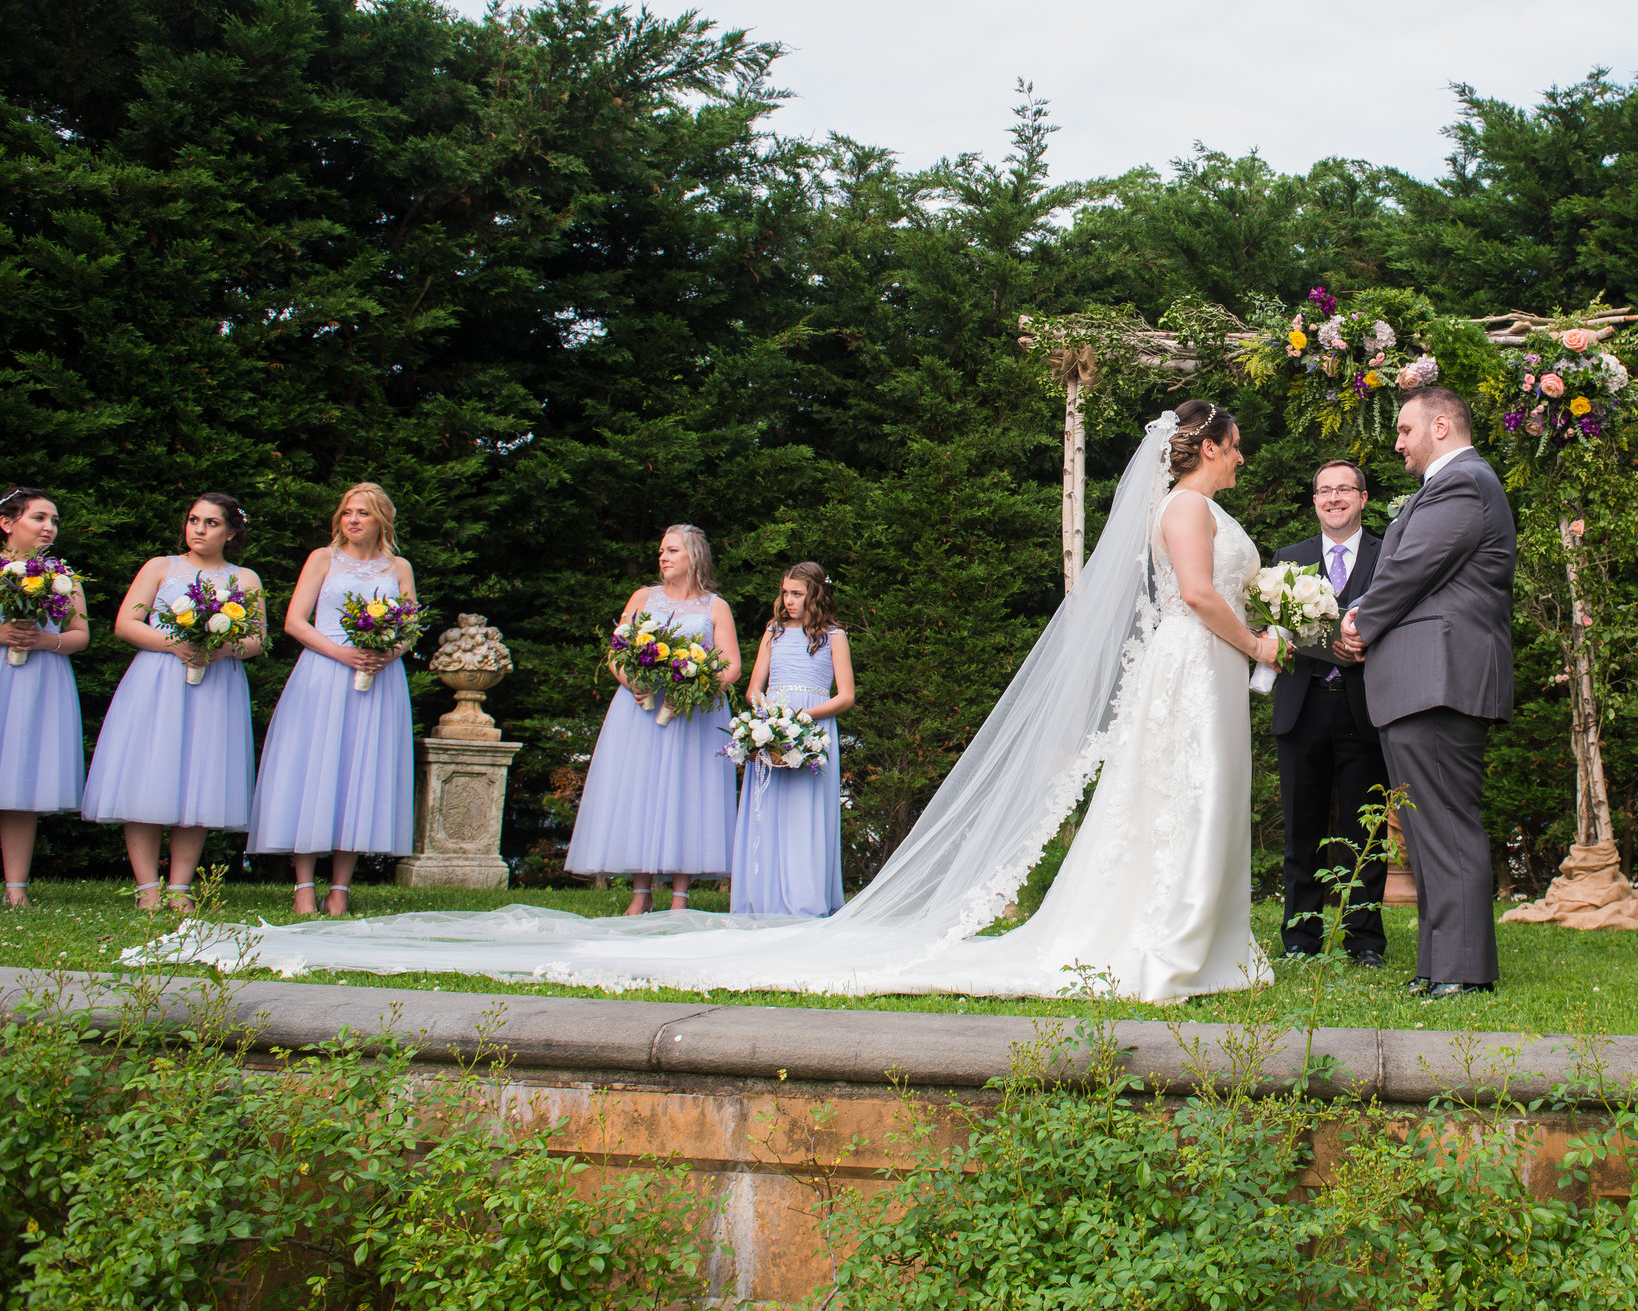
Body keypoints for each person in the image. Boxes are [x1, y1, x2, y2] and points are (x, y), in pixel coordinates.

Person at [177, 406, 1278, 1003]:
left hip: (1200, 675)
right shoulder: (1186, 509)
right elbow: (1189, 594)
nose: (1239, 457)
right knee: (1168, 799)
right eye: (1235, 444)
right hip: (1193, 667)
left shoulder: (1187, 502)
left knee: (1183, 802)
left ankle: (1193, 928)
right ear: (1208, 449)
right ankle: (1166, 933)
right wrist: (1265, 636)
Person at [1337, 387, 1517, 1001]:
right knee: (1426, 828)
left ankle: (1463, 971)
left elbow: (1409, 567)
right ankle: (1440, 964)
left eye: (1406, 429)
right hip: (1424, 680)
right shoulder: (1452, 485)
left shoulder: (1464, 482)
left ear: (1441, 425)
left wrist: (1358, 621)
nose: (1398, 442)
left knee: (1445, 824)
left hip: (1439, 679)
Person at [84, 494, 266, 912]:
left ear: (232, 531)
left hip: (215, 685)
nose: (199, 529)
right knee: (148, 777)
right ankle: (147, 887)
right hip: (158, 682)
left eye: (211, 523)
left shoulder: (246, 579)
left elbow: (257, 639)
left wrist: (221, 649)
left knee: (200, 781)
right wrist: (176, 644)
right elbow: (126, 624)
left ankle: (180, 887)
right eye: (193, 520)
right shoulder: (160, 567)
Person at [247, 483, 421, 916]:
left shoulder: (398, 566)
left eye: (362, 513)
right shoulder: (322, 558)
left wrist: (387, 652)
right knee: (314, 769)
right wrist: (342, 652)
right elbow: (294, 621)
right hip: (323, 672)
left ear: (382, 518)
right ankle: (304, 884)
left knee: (360, 773)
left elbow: (411, 628)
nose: (353, 520)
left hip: (377, 680)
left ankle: (340, 887)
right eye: (347, 512)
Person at [566, 525, 742, 915]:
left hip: (692, 714)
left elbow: (730, 667)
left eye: (672, 551)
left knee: (687, 794)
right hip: (640, 713)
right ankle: (640, 893)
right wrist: (632, 682)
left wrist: (695, 685)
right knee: (640, 792)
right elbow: (617, 651)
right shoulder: (643, 598)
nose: (663, 557)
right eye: (661, 550)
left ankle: (681, 897)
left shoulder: (716, 607)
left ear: (693, 557)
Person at [1268, 458, 1389, 966]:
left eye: (1345, 489)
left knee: (1368, 832)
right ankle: (1301, 937)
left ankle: (1364, 940)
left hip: (1366, 707)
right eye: (1324, 491)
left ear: (1363, 498)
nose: (1334, 498)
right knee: (1302, 828)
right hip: (1304, 705)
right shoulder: (1287, 561)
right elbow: (1274, 630)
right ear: (1314, 500)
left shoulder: (1391, 555)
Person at [732, 562, 856, 918]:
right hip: (771, 728)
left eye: (797, 594)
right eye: (785, 592)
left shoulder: (834, 636)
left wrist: (803, 717)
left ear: (816, 594)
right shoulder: (773, 632)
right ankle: (762, 896)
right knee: (767, 810)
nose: (788, 600)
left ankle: (804, 899)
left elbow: (845, 696)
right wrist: (769, 718)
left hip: (812, 728)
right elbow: (754, 688)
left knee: (805, 811)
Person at [0, 488, 89, 906]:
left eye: (53, 520)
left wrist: (44, 639)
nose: (49, 527)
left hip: (37, 682)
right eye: (39, 518)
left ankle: (17, 888)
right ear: (7, 522)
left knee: (20, 785)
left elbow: (80, 635)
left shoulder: (63, 575)